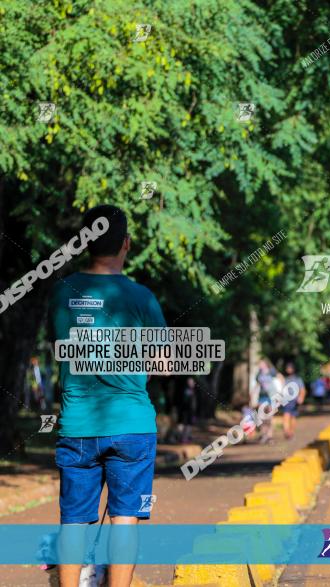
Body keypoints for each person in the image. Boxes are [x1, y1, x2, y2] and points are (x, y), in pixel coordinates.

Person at [49, 205, 166, 587]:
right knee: (125, 519)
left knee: (73, 520)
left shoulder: (61, 293)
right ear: (126, 245)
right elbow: (163, 361)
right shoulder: (142, 297)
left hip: (78, 423)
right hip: (132, 424)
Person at [251, 359, 282, 444]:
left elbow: (280, 377)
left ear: (265, 364)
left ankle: (270, 436)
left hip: (271, 397)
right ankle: (264, 435)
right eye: (259, 364)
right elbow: (256, 385)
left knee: (270, 418)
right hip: (262, 397)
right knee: (261, 417)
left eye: (261, 364)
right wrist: (252, 396)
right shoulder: (259, 374)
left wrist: (280, 391)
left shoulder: (271, 372)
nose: (260, 365)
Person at [281, 362, 306, 440]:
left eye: (290, 368)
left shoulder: (298, 379)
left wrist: (301, 397)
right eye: (287, 368)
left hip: (294, 400)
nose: (288, 370)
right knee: (286, 415)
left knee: (293, 417)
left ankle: (291, 432)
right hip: (286, 400)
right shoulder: (285, 379)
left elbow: (302, 390)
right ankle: (286, 431)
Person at [176, 377, 198, 444]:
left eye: (192, 382)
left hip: (189, 412)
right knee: (186, 425)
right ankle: (183, 438)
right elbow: (186, 403)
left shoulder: (192, 391)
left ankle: (184, 438)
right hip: (186, 412)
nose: (192, 384)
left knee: (187, 425)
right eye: (190, 382)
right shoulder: (187, 391)